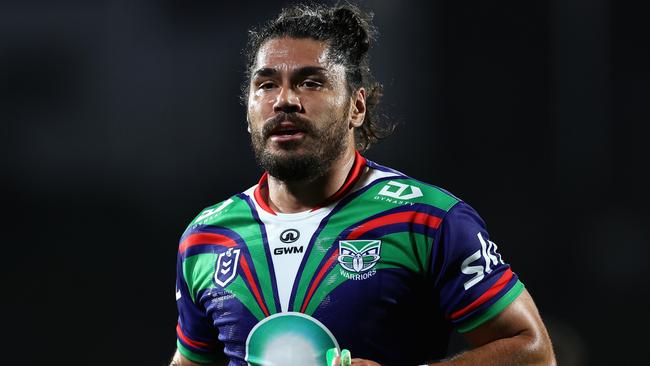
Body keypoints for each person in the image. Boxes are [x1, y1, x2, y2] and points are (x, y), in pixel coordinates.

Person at [170, 3, 555, 366]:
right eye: (266, 85)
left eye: (310, 82)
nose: (284, 100)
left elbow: (534, 352)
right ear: (250, 108)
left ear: (357, 106)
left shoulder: (428, 220)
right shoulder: (206, 237)